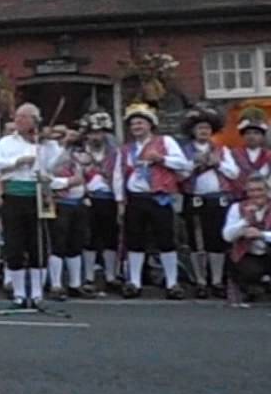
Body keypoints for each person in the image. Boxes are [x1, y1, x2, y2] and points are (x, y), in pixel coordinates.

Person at [0, 104, 61, 308]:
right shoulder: (6, 143)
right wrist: (17, 162)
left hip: (39, 195)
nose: (19, 121)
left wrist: (53, 147)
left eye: (25, 117)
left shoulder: (45, 144)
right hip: (14, 195)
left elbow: (59, 165)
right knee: (14, 245)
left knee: (39, 245)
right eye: (17, 117)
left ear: (35, 120)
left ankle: (36, 293)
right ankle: (18, 294)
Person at [112, 103, 190, 299]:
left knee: (166, 240)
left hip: (159, 197)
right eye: (133, 124)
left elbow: (183, 164)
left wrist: (160, 158)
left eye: (140, 122)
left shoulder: (165, 141)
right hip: (135, 199)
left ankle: (172, 283)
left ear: (150, 125)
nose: (136, 127)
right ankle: (134, 282)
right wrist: (120, 201)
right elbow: (118, 176)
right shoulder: (126, 150)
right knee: (135, 241)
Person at [179, 105, 236, 298]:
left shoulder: (222, 150)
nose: (203, 131)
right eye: (199, 128)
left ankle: (217, 280)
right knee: (196, 241)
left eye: (207, 128)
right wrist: (196, 164)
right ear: (193, 131)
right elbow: (180, 175)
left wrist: (217, 163)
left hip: (217, 199)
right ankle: (200, 281)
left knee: (216, 240)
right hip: (194, 199)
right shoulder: (185, 151)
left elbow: (234, 173)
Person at [46, 126, 92, 300]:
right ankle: (56, 284)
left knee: (76, 242)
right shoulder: (51, 152)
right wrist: (69, 182)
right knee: (58, 242)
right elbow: (46, 175)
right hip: (60, 202)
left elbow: (87, 171)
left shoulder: (79, 155)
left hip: (78, 201)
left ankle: (75, 283)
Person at [79, 110, 121, 288]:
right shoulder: (78, 153)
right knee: (89, 238)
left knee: (109, 237)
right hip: (87, 198)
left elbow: (119, 177)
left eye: (99, 133)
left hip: (108, 197)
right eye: (92, 133)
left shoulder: (114, 154)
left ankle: (111, 276)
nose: (96, 137)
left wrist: (120, 201)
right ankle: (88, 277)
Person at [222, 175, 271, 306]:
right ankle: (248, 289)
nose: (256, 194)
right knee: (248, 271)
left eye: (259, 190)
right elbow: (227, 236)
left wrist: (261, 235)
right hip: (247, 254)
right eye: (252, 191)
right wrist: (244, 221)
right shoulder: (236, 208)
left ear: (267, 191)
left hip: (268, 251)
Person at [223, 107, 269, 199]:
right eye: (248, 133)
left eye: (256, 133)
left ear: (262, 136)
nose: (252, 136)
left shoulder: (268, 155)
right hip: (238, 199)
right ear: (243, 135)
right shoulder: (232, 154)